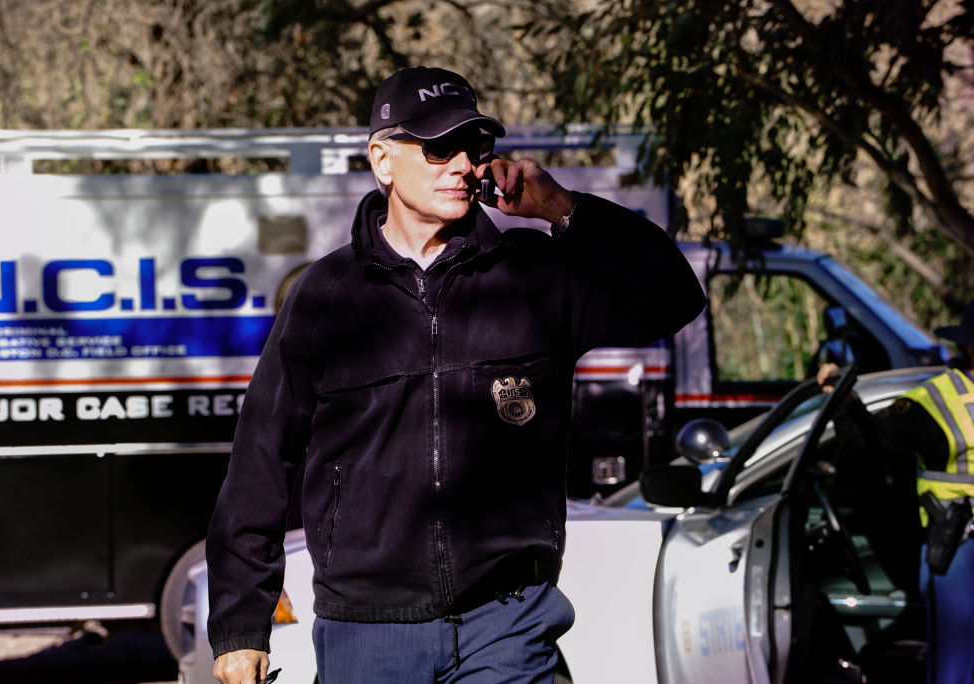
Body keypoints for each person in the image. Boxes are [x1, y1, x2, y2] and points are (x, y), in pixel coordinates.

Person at [205, 65, 706, 684]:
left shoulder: (534, 275)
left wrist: (560, 208)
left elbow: (672, 298)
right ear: (383, 160)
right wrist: (240, 625)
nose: (464, 164)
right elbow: (261, 457)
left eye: (475, 145)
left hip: (509, 621)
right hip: (368, 632)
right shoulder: (324, 295)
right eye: (439, 148)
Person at [818, 298, 974, 684]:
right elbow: (872, 449)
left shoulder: (937, 398)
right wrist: (846, 403)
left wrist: (845, 403)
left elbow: (870, 452)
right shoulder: (935, 399)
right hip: (959, 546)